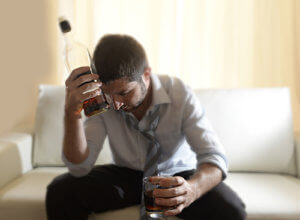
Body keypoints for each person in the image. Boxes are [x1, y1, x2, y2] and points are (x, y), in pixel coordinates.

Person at [46, 34, 246, 220]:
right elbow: (79, 165)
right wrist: (71, 113)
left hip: (177, 175)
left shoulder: (178, 92)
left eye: (124, 93)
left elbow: (215, 157)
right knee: (61, 191)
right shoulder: (103, 100)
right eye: (109, 94)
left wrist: (191, 190)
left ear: (146, 74)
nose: (115, 104)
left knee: (231, 209)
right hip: (128, 175)